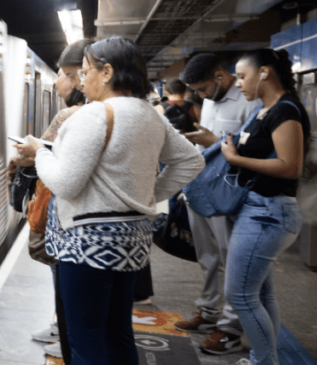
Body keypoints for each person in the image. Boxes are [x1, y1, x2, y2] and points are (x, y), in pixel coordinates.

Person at [15, 37, 204, 365]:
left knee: (85, 342)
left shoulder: (93, 116)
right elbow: (191, 160)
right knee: (118, 333)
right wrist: (145, 195)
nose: (81, 80)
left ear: (107, 72)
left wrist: (39, 153)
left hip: (87, 244)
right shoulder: (150, 114)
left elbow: (65, 184)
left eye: (85, 72)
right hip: (131, 241)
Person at [221, 49, 309, 365]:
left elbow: (290, 166)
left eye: (243, 76)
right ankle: (263, 356)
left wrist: (235, 158)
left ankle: (265, 361)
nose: (239, 83)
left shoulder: (285, 111)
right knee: (259, 294)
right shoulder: (263, 109)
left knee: (240, 296)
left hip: (268, 213)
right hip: (260, 211)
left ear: (265, 73)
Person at [9, 39, 90, 362]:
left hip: (62, 207)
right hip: (71, 207)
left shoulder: (71, 114)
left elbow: (45, 157)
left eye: (62, 75)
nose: (57, 81)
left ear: (75, 78)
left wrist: (28, 154)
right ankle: (63, 329)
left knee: (63, 274)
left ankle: (68, 335)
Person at [176, 53, 260, 354]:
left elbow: (252, 147)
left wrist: (213, 140)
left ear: (220, 77)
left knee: (230, 259)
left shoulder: (249, 101)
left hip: (227, 193)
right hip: (201, 187)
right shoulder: (210, 100)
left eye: (202, 89)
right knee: (207, 255)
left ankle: (230, 327)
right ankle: (209, 311)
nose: (200, 96)